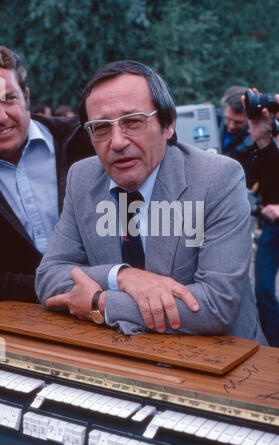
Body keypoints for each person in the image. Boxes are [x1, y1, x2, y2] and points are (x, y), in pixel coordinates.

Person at [35, 60, 266, 343]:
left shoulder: (219, 178)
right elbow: (48, 276)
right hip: (124, 359)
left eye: (132, 122)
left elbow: (217, 305)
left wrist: (100, 303)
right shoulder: (81, 178)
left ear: (167, 125)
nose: (117, 142)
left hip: (221, 361)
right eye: (101, 128)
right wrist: (121, 277)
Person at [0, 45, 94, 302]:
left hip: (114, 309)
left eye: (9, 98)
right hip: (23, 327)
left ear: (27, 98)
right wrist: (56, 289)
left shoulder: (84, 139)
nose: (1, 116)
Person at [242, 90, 279, 348]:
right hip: (272, 228)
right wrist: (261, 139)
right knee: (263, 288)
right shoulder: (266, 149)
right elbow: (257, 181)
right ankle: (278, 348)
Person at [219, 85, 254, 175]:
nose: (231, 126)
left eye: (238, 122)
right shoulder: (212, 121)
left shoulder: (255, 140)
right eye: (228, 119)